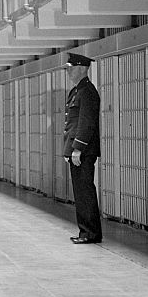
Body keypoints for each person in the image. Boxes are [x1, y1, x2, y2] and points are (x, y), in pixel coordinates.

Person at [63, 52, 102, 244]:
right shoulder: (76, 91)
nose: (68, 72)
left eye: (71, 69)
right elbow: (72, 123)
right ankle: (84, 231)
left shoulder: (88, 92)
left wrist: (77, 148)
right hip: (76, 150)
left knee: (85, 190)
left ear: (81, 69)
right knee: (80, 191)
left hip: (84, 152)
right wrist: (68, 150)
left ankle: (91, 233)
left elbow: (86, 123)